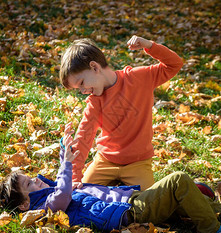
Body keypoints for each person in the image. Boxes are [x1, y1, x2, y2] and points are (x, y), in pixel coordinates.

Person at [0, 126, 221, 233]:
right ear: (23, 203)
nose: (35, 180)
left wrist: (66, 152)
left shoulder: (48, 193)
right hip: (129, 214)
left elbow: (66, 184)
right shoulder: (44, 206)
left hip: (131, 203)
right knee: (178, 180)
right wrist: (66, 163)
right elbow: (61, 195)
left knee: (197, 200)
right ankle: (212, 232)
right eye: (28, 183)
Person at [59, 35, 184, 191]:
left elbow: (174, 64)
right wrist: (75, 177)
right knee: (83, 195)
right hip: (105, 162)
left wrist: (150, 46)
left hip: (138, 163)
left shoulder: (139, 78)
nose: (83, 91)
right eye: (79, 89)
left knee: (149, 204)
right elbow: (83, 138)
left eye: (82, 83)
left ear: (94, 67)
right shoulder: (95, 102)